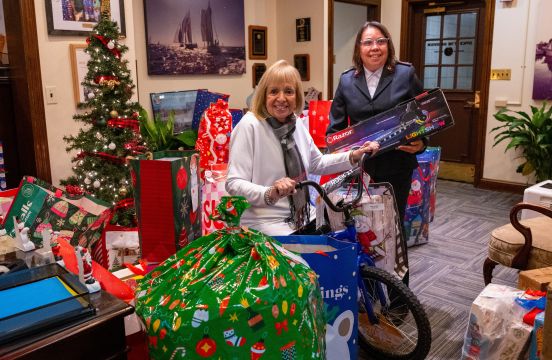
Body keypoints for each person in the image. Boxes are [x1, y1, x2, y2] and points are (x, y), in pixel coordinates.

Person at [226, 60, 379, 236]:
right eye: (274, 91)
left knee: (339, 242)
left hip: (302, 216)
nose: (281, 98)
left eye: (289, 91)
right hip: (265, 223)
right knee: (306, 260)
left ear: (297, 96)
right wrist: (270, 192)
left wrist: (354, 155)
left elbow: (317, 162)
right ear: (263, 95)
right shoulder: (250, 125)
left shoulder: (296, 123)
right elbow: (234, 183)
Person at [327, 21, 426, 223]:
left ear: (388, 45)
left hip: (397, 166)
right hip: (359, 169)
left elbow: (422, 115)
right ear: (359, 48)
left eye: (380, 41)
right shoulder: (346, 80)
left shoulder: (405, 74)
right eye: (368, 42)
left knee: (392, 225)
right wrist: (343, 151)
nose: (374, 48)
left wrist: (422, 143)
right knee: (361, 223)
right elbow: (334, 129)